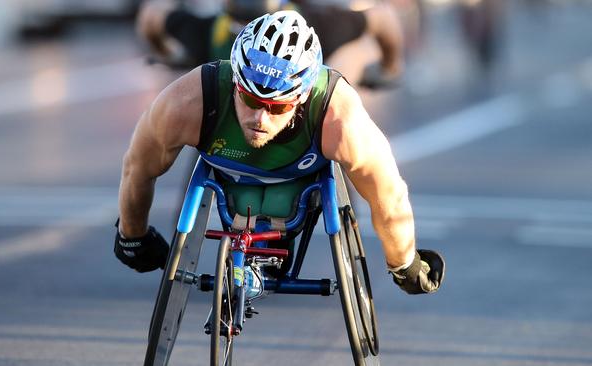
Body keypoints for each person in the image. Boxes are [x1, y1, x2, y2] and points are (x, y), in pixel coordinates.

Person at [115, 10, 444, 294]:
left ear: (301, 99)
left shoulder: (339, 118)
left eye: (278, 106)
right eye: (251, 100)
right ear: (235, 83)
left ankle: (272, 249)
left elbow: (389, 196)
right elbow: (138, 168)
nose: (260, 118)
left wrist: (403, 263)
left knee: (355, 173)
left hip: (299, 186)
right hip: (229, 179)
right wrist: (133, 235)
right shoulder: (186, 103)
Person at [136, 0, 405, 88]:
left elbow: (151, 15)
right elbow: (384, 18)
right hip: (303, 139)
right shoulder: (314, 28)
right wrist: (388, 67)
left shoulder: (208, 32)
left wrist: (171, 54)